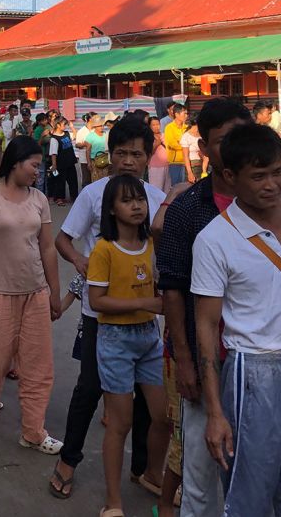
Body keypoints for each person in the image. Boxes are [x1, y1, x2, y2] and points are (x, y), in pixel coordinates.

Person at [192, 122, 281, 516]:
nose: (271, 184)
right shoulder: (214, 239)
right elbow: (205, 325)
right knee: (249, 495)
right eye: (258, 177)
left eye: (276, 171)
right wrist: (216, 412)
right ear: (229, 177)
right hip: (250, 375)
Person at [49, 115, 166, 501]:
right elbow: (64, 240)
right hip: (99, 315)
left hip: (145, 320)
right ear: (109, 155)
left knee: (148, 404)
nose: (128, 161)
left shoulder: (156, 201)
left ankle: (143, 470)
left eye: (136, 153)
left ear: (148, 157)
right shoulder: (93, 194)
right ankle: (68, 461)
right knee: (89, 389)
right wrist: (83, 264)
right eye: (121, 153)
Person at [154, 98, 251, 517]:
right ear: (206, 149)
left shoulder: (271, 204)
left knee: (253, 469)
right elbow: (173, 292)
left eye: (240, 137)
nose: (233, 148)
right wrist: (186, 362)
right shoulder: (189, 210)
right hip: (204, 356)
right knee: (200, 474)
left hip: (258, 358)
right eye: (223, 140)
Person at [0, 135, 63, 454]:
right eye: (34, 165)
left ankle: (33, 431)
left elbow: (47, 247)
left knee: (38, 367)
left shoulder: (39, 199)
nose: (38, 171)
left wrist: (54, 293)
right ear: (16, 163)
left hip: (35, 292)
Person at [88, 175, 167, 517]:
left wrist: (171, 195)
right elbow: (97, 301)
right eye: (127, 200)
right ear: (111, 209)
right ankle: (113, 502)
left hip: (149, 337)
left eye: (141, 200)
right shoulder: (104, 249)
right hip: (116, 340)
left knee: (163, 416)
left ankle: (152, 472)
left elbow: (163, 224)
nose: (137, 206)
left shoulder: (151, 243)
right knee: (119, 424)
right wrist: (145, 303)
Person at [47, 117, 78, 206]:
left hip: (70, 161)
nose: (66, 126)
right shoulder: (54, 139)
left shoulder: (67, 134)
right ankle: (59, 198)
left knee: (73, 180)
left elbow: (75, 136)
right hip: (61, 164)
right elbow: (53, 153)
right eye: (64, 124)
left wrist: (72, 127)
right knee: (60, 181)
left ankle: (74, 196)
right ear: (58, 125)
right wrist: (54, 165)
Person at [163, 105, 189, 185]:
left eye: (186, 113)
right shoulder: (169, 127)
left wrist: (180, 143)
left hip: (187, 161)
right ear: (177, 114)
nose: (186, 115)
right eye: (184, 113)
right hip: (175, 162)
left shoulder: (187, 127)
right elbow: (172, 144)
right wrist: (186, 146)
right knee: (176, 187)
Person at [85, 115, 110, 183]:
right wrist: (89, 163)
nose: (102, 127)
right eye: (99, 126)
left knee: (105, 180)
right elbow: (88, 150)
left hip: (105, 160)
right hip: (95, 161)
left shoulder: (105, 134)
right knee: (96, 180)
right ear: (95, 127)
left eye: (102, 125)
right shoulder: (90, 136)